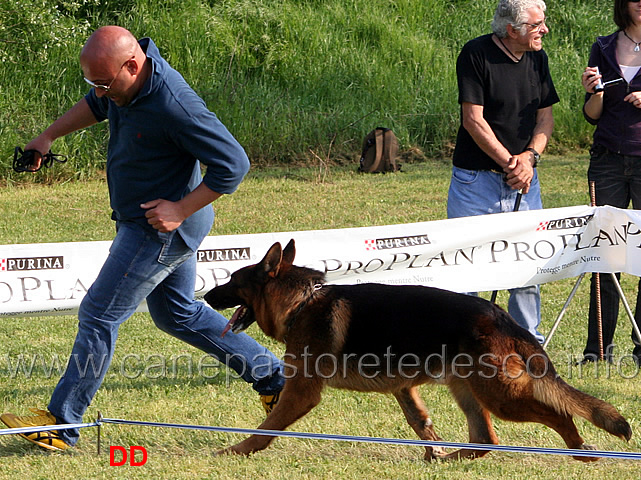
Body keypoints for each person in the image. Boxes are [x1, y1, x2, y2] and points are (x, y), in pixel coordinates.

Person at [0, 26, 284, 451]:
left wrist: (179, 209)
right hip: (158, 226)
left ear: (132, 65)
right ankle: (275, 379)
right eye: (93, 82)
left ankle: (62, 424)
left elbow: (234, 164)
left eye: (104, 83)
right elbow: (96, 105)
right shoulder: (124, 85)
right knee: (178, 314)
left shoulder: (175, 105)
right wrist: (49, 135)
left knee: (99, 313)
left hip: (157, 231)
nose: (100, 91)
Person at [447, 0, 558, 344]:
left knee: (527, 267)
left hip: (525, 180)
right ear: (512, 30)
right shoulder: (475, 54)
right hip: (475, 182)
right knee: (467, 268)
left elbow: (545, 118)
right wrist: (511, 163)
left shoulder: (538, 58)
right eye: (537, 25)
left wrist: (529, 158)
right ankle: (466, 349)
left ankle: (529, 345)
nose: (545, 30)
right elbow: (473, 119)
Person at [578, 0, 641, 365]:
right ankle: (597, 350)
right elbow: (591, 115)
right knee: (605, 255)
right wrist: (596, 92)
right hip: (607, 162)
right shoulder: (603, 46)